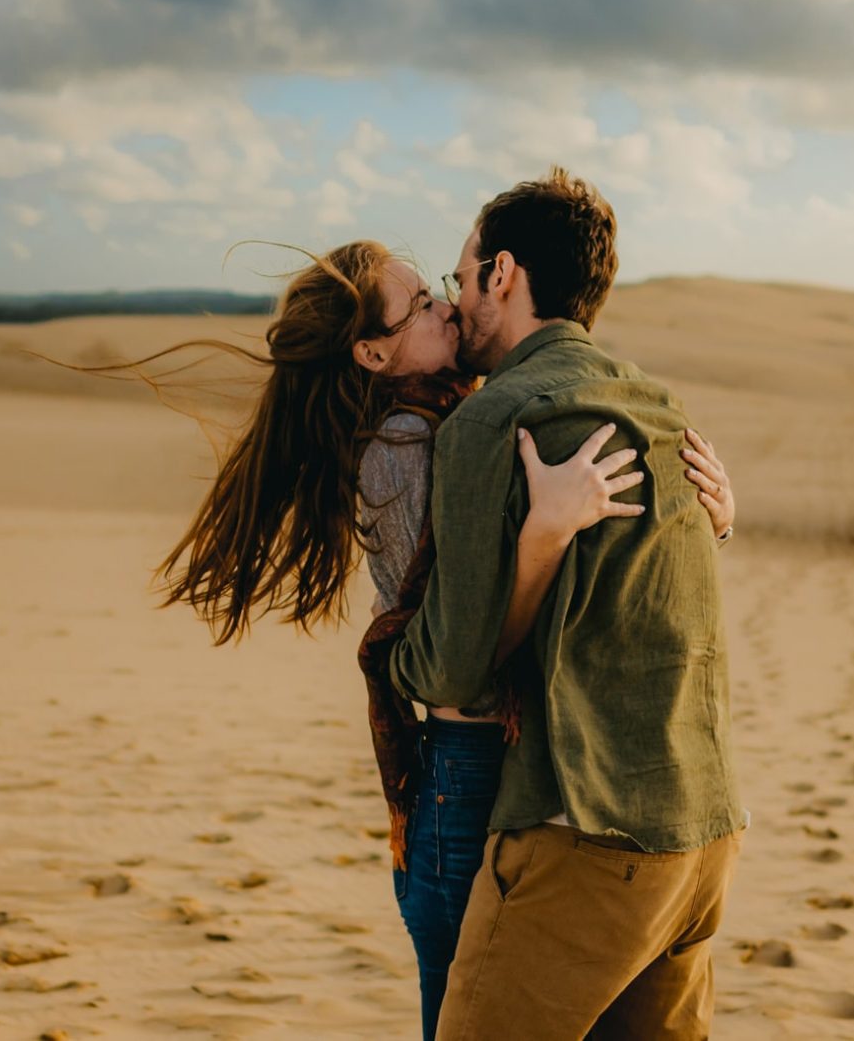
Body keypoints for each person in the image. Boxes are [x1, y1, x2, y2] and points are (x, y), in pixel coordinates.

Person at [133, 238, 736, 1040]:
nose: (448, 305)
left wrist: (703, 519)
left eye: (437, 289)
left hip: (522, 776)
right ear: (374, 351)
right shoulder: (405, 451)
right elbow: (460, 660)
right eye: (420, 304)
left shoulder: (466, 415)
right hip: (469, 775)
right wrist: (544, 536)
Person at [389, 169, 747, 1041]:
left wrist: (391, 653)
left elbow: (450, 668)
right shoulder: (659, 406)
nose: (457, 297)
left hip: (584, 836)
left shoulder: (495, 419)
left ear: (501, 274)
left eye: (462, 276)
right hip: (701, 835)